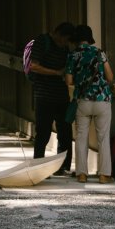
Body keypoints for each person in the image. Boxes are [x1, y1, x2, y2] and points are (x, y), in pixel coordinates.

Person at [67, 23, 115, 184]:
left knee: (81, 137)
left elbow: (69, 81)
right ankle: (104, 175)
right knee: (103, 138)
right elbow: (110, 77)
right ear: (89, 38)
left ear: (75, 39)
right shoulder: (99, 52)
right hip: (102, 100)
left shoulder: (73, 55)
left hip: (83, 101)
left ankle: (82, 174)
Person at [25, 22, 76, 175]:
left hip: (61, 95)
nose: (65, 43)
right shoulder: (43, 41)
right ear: (59, 34)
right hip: (44, 94)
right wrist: (56, 73)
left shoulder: (64, 47)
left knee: (65, 132)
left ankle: (63, 166)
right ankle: (38, 166)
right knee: (43, 132)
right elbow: (34, 66)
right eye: (65, 39)